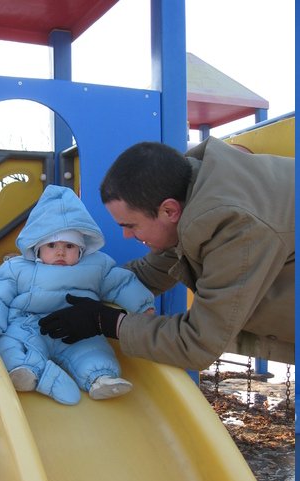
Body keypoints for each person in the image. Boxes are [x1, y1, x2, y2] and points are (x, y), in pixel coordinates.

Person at [39, 137, 295, 371]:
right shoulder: (191, 192)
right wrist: (70, 283)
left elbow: (197, 343)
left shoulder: (236, 227)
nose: (126, 235)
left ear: (169, 211)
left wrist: (105, 322)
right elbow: (149, 273)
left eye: (131, 225)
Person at [0, 184, 155, 405]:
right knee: (9, 347)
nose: (60, 252)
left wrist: (142, 305)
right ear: (37, 248)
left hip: (78, 328)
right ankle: (32, 373)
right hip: (28, 326)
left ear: (81, 249)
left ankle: (101, 378)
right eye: (51, 245)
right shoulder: (17, 268)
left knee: (93, 350)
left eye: (69, 246)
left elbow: (120, 283)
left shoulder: (96, 266)